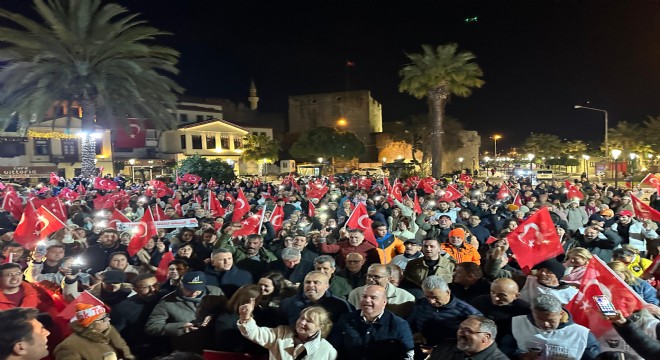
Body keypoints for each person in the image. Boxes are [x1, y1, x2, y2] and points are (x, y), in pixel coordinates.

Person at [145, 271, 224, 352]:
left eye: (198, 289)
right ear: (181, 284)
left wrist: (213, 316)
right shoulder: (167, 302)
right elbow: (152, 326)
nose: (194, 292)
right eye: (189, 289)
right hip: (188, 349)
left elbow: (227, 311)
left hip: (216, 346)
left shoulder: (216, 292)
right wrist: (180, 327)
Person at [330, 285, 414, 360]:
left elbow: (408, 355)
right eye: (364, 296)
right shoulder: (345, 319)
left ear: (384, 302)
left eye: (373, 298)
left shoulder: (398, 324)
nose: (367, 300)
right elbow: (334, 348)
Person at [238, 299, 338, 359]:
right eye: (302, 318)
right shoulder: (281, 333)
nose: (302, 322)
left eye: (309, 321)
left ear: (320, 326)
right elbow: (255, 333)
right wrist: (245, 318)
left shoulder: (327, 351)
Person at [407, 275, 481, 347]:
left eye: (435, 297)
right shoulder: (422, 303)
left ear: (448, 292)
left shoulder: (467, 312)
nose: (431, 301)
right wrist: (414, 334)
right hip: (420, 346)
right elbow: (409, 323)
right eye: (427, 297)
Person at [470, 278, 530, 357]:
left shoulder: (523, 309)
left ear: (516, 296)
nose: (496, 298)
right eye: (493, 293)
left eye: (502, 295)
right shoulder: (479, 302)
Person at [54, 303, 134, 360]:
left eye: (106, 316)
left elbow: (123, 346)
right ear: (90, 324)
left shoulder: (109, 329)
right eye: (103, 319)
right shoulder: (68, 347)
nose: (108, 319)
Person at [110, 274, 163, 359]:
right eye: (145, 287)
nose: (152, 290)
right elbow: (116, 335)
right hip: (140, 351)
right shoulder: (123, 308)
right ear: (135, 289)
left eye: (155, 285)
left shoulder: (165, 299)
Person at [279, 271, 352, 326]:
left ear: (326, 286)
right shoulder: (288, 303)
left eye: (316, 282)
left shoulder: (340, 304)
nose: (311, 285)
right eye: (307, 282)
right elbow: (282, 326)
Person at [427, 316, 509, 360]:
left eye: (468, 331)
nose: (460, 333)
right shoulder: (445, 347)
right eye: (460, 328)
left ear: (486, 337)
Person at [348, 264, 415, 318]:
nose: (371, 280)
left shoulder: (406, 297)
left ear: (388, 279)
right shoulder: (355, 294)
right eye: (369, 276)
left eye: (376, 277)